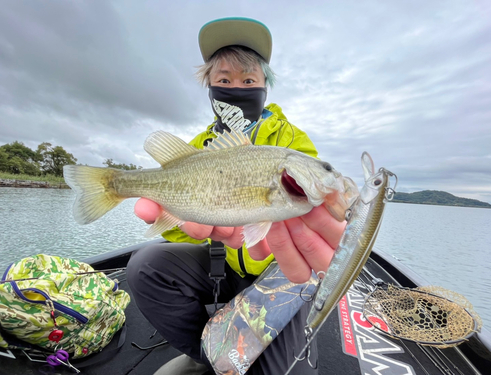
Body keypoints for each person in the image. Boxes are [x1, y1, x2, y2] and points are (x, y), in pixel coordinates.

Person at [127, 17, 346, 375]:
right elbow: (188, 231)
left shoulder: (292, 143)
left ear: (264, 87)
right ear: (210, 88)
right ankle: (206, 355)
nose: (236, 87)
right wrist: (175, 216)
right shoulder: (197, 148)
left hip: (283, 277)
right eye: (224, 80)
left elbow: (317, 205)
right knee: (145, 266)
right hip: (222, 265)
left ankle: (244, 354)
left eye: (249, 80)